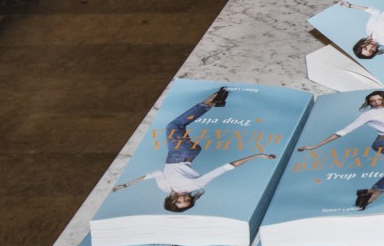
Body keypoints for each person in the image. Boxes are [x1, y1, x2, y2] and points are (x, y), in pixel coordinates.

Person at [111, 87, 277, 211]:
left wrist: (127, 185)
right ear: (191, 199)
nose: (183, 198)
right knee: (174, 126)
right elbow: (225, 168)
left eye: (179, 201)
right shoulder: (195, 185)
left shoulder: (164, 188)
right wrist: (257, 155)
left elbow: (155, 174)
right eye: (187, 201)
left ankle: (213, 102)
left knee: (176, 126)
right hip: (184, 154)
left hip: (175, 154)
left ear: (171, 201)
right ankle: (208, 103)